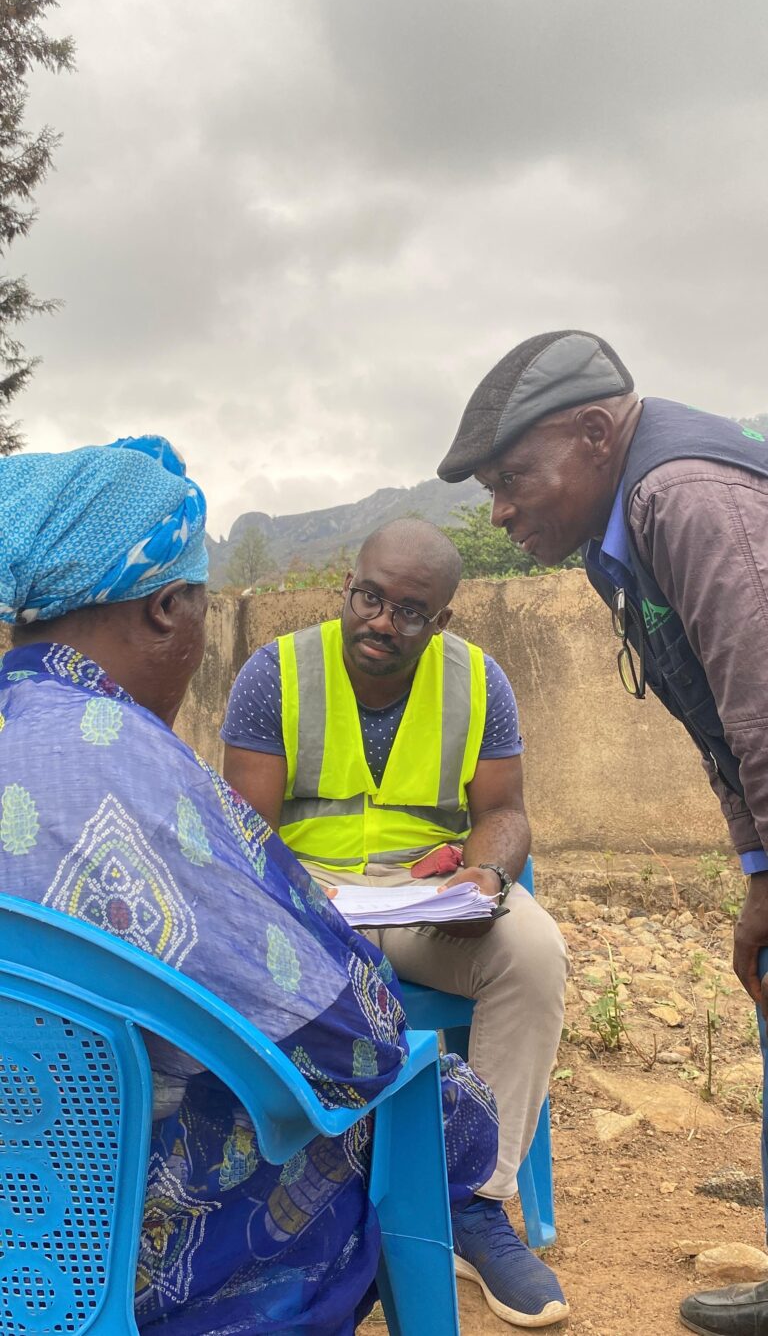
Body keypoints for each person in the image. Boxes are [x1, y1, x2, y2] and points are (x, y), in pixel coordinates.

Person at [0, 438, 500, 1336]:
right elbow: (339, 1036)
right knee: (409, 1101)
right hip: (114, 1229)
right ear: (167, 609)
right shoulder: (135, 766)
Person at [438, 327, 768, 1336]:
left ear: (594, 434)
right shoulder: (615, 543)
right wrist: (756, 869)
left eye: (512, 478)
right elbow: (722, 725)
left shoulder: (684, 500)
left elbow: (761, 701)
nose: (499, 512)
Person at [222, 517, 570, 1329]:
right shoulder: (276, 673)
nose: (382, 620)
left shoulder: (480, 682)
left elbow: (506, 813)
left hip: (425, 905)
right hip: (308, 908)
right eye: (369, 597)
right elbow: (243, 834)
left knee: (533, 948)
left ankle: (476, 1202)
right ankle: (293, 1211)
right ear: (350, 584)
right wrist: (305, 899)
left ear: (441, 618)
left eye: (409, 610)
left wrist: (485, 877)